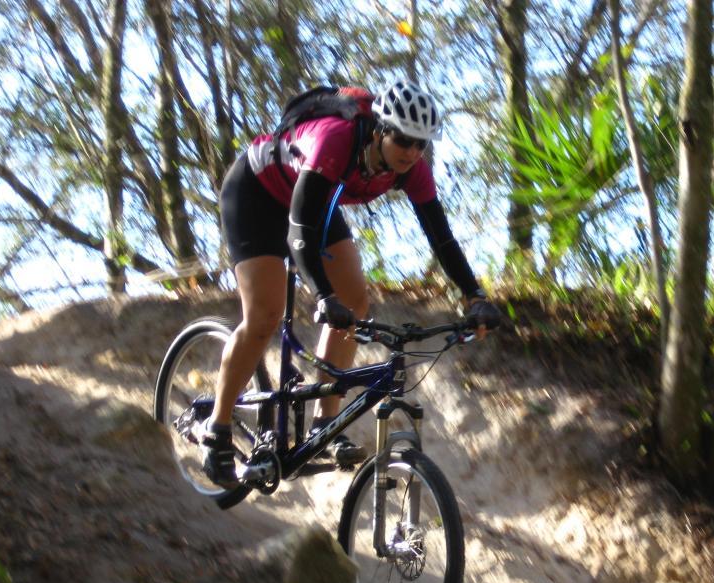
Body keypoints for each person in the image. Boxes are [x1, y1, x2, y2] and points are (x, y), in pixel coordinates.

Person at [203, 81, 500, 487]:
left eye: (422, 144)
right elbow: (300, 229)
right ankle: (216, 431)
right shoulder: (336, 140)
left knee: (356, 301)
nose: (412, 152)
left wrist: (475, 296)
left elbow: (441, 237)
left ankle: (324, 426)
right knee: (265, 314)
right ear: (380, 129)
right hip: (257, 194)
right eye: (405, 140)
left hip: (313, 201)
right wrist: (322, 296)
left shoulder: (412, 169)